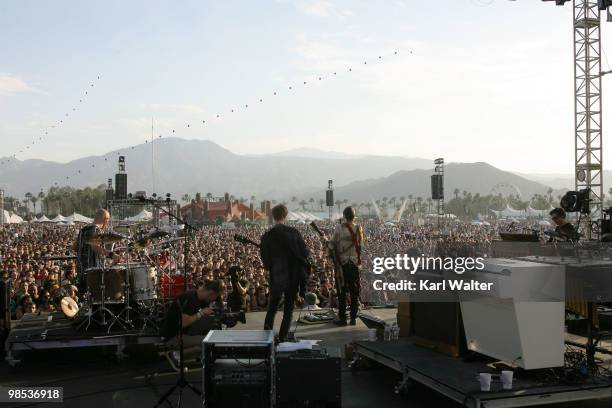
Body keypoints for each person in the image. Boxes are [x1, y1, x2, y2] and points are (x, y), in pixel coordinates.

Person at [260, 204, 309, 342]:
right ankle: (282, 338)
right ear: (286, 216)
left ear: (273, 216)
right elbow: (304, 253)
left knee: (272, 307)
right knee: (288, 309)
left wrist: (272, 266)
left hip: (277, 275)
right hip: (293, 275)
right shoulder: (294, 233)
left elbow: (265, 259)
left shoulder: (268, 236)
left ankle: (266, 338)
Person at [160, 279, 222, 371]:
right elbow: (183, 323)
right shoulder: (190, 298)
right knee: (210, 342)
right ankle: (176, 355)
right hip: (174, 336)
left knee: (211, 331)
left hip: (181, 333)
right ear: (211, 293)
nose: (214, 300)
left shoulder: (196, 297)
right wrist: (201, 313)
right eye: (215, 297)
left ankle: (194, 355)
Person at [330, 206, 364, 326]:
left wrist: (326, 242)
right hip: (354, 264)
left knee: (342, 291)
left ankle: (343, 318)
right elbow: (360, 246)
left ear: (344, 216)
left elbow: (331, 245)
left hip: (342, 264)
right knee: (354, 291)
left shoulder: (339, 228)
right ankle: (354, 317)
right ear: (354, 216)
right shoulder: (359, 228)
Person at [73, 209, 120, 291]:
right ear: (105, 219)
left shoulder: (83, 229)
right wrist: (112, 255)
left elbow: (74, 247)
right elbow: (94, 247)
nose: (108, 222)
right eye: (108, 219)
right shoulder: (95, 229)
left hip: (81, 270)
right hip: (92, 270)